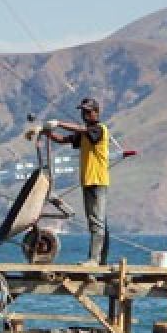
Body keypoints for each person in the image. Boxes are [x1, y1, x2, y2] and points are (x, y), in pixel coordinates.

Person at [47, 97, 110, 265]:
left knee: (97, 221)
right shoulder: (83, 134)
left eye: (88, 111)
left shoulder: (99, 130)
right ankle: (100, 259)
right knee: (96, 221)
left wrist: (59, 122)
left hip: (97, 181)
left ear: (96, 113)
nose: (85, 114)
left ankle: (94, 260)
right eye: (83, 112)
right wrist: (47, 133)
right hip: (88, 181)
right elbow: (63, 140)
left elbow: (85, 131)